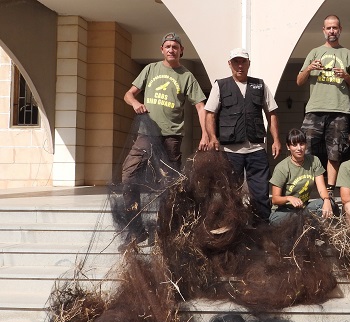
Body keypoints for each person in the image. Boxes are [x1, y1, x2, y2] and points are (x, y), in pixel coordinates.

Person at [121, 32, 207, 244]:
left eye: (175, 47)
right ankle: (137, 230)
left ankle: (163, 230)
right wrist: (135, 103)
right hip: (146, 133)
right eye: (167, 46)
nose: (171, 49)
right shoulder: (150, 69)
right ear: (162, 50)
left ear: (181, 51)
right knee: (129, 176)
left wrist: (206, 134)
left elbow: (200, 105)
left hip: (171, 136)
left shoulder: (186, 76)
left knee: (169, 185)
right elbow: (128, 94)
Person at [201, 48, 281, 223]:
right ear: (229, 64)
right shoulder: (220, 85)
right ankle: (232, 230)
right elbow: (210, 114)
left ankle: (262, 232)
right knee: (230, 194)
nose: (240, 65)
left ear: (248, 64)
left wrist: (276, 140)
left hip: (257, 150)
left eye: (243, 61)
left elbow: (272, 113)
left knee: (260, 194)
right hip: (230, 151)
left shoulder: (259, 85)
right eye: (236, 61)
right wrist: (213, 137)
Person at [297, 14, 350, 199]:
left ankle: (330, 192)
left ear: (340, 30)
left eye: (335, 28)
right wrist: (310, 68)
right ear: (323, 30)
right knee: (304, 149)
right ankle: (304, 189)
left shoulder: (347, 53)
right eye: (328, 28)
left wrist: (346, 76)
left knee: (335, 152)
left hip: (339, 110)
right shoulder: (314, 52)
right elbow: (299, 81)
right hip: (314, 110)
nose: (332, 31)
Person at [269, 129, 335, 225]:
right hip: (284, 211)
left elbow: (321, 188)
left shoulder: (314, 160)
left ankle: (312, 227)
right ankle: (306, 225)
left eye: (302, 144)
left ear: (306, 145)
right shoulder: (282, 168)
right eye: (294, 145)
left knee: (330, 204)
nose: (299, 148)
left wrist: (327, 200)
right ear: (288, 147)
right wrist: (289, 198)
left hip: (303, 209)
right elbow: (275, 199)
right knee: (285, 219)